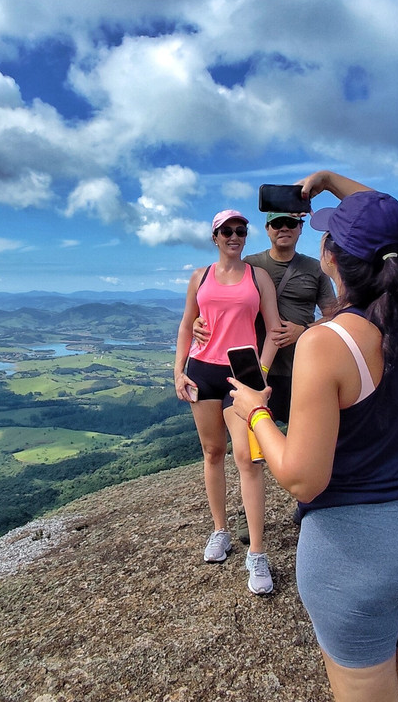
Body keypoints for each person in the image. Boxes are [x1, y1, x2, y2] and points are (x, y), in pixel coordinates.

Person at [229, 171, 398, 702]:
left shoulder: (325, 342)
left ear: (330, 258)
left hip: (352, 553)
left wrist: (256, 413)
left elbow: (304, 480)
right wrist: (335, 181)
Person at [173, 209, 282, 595]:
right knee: (212, 452)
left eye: (240, 230)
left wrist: (262, 372)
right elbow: (188, 324)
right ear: (215, 236)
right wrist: (178, 370)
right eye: (226, 231)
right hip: (202, 370)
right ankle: (220, 530)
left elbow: (275, 330)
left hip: (243, 373)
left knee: (248, 458)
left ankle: (257, 551)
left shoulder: (259, 278)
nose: (234, 236)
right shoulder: (199, 277)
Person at [194, 211, 336, 422]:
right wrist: (199, 320)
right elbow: (219, 297)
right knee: (256, 443)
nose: (284, 228)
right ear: (267, 229)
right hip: (254, 370)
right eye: (277, 223)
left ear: (300, 228)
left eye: (291, 222)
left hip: (299, 367)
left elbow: (334, 316)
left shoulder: (315, 269)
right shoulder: (251, 265)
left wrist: (305, 330)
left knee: (298, 437)